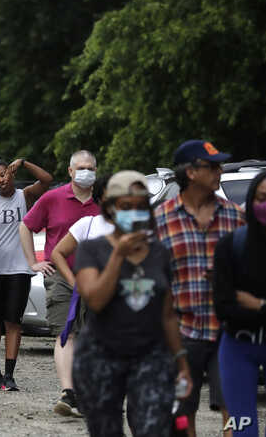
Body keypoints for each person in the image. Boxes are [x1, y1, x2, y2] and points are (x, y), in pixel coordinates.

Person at [73, 170, 193, 437]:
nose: (134, 213)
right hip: (100, 356)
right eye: (126, 206)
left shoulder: (160, 252)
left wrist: (182, 362)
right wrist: (118, 255)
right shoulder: (92, 250)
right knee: (106, 430)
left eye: (140, 206)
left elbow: (168, 314)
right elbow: (95, 300)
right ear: (110, 209)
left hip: (150, 356)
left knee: (154, 428)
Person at [155, 140, 244, 437]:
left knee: (236, 409)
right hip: (180, 333)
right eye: (213, 166)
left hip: (229, 332)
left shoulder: (235, 217)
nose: (219, 171)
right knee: (181, 414)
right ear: (191, 173)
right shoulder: (160, 221)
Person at [20, 150, 99, 415]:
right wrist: (34, 262)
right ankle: (68, 392)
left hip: (98, 278)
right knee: (67, 331)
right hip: (60, 276)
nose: (86, 172)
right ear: (70, 171)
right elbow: (26, 226)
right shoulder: (52, 198)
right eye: (81, 168)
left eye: (91, 168)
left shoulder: (104, 201)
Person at [0, 157, 52, 391]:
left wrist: (24, 162)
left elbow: (46, 180)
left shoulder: (24, 196)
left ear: (11, 173)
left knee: (13, 321)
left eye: (4, 175)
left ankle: (9, 374)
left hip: (18, 268)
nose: (1, 181)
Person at [214, 170, 266, 437]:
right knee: (241, 425)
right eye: (261, 198)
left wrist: (257, 305)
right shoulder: (230, 245)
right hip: (237, 346)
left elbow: (238, 302)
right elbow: (224, 306)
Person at [50, 176, 113, 342]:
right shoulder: (89, 224)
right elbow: (57, 253)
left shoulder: (135, 226)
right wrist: (74, 283)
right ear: (100, 199)